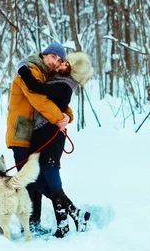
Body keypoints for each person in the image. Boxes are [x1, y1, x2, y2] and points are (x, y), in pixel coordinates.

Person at [17, 52, 93, 238]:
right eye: (63, 61)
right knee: (43, 180)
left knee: (51, 178)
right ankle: (75, 214)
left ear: (71, 71)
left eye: (66, 63)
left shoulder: (63, 86)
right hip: (44, 137)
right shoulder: (59, 82)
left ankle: (64, 224)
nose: (62, 63)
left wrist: (22, 69)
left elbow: (36, 87)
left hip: (51, 139)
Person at [5, 42, 74, 235]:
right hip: (21, 134)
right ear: (45, 55)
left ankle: (34, 224)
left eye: (60, 60)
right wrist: (61, 119)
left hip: (31, 135)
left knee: (33, 182)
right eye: (53, 57)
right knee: (31, 183)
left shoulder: (44, 75)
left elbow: (54, 100)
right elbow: (40, 101)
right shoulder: (29, 71)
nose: (55, 62)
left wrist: (68, 116)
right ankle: (33, 224)